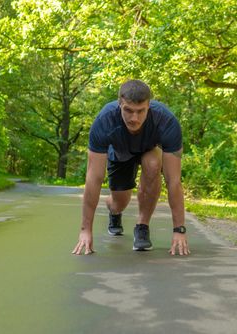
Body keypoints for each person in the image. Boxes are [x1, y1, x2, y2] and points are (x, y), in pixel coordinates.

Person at [72, 79, 190, 256]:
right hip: (119, 153)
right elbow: (93, 178)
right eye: (128, 110)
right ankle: (114, 211)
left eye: (140, 111)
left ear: (149, 106)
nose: (134, 118)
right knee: (120, 202)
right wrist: (85, 230)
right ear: (120, 104)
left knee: (153, 164)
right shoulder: (105, 121)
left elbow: (173, 181)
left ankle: (142, 226)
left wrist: (179, 230)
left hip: (149, 150)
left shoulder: (167, 122)